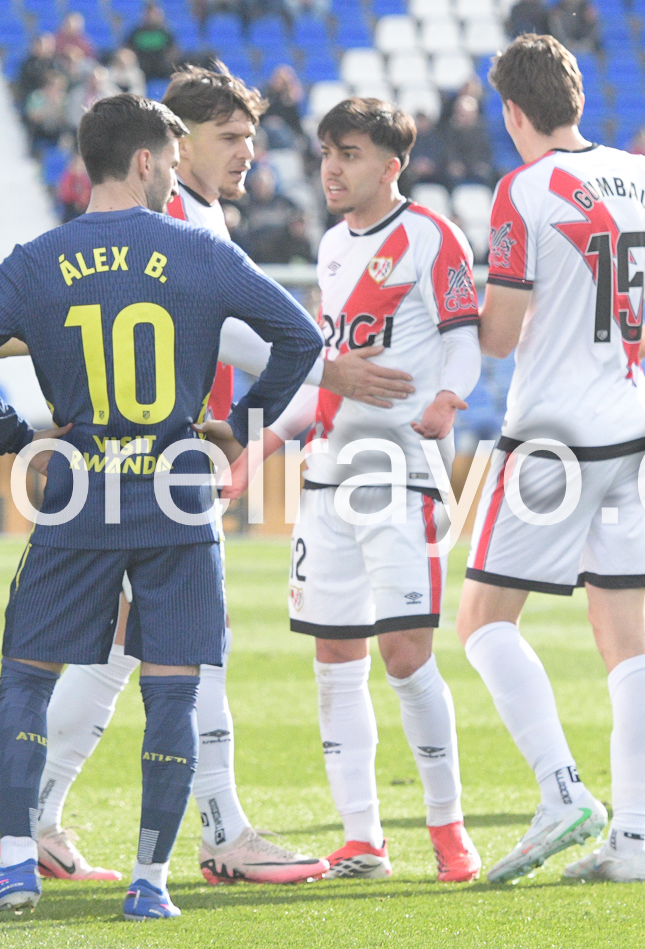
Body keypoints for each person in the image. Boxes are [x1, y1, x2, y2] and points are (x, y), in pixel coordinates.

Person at [0, 91, 324, 923]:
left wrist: (19, 443)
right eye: (169, 162)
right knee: (174, 692)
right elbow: (301, 340)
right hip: (180, 496)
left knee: (26, 678)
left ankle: (15, 863)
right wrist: (238, 430)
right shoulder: (197, 250)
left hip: (79, 493)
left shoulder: (38, 259)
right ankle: (151, 883)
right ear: (147, 162)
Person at [31, 65, 416, 890]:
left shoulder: (195, 214)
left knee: (119, 649)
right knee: (189, 641)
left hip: (144, 457)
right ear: (177, 141)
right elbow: (233, 326)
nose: (248, 153)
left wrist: (276, 416)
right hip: (151, 458)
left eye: (250, 137)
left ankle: (36, 818)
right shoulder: (173, 216)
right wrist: (331, 372)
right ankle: (221, 832)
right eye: (230, 138)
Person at [461, 34, 645, 884]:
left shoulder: (522, 190)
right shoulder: (641, 175)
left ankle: (562, 793)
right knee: (627, 643)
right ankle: (630, 842)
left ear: (513, 112)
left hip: (553, 435)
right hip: (631, 424)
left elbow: (503, 335)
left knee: (482, 622)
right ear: (576, 100)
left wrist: (448, 308)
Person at [242, 97, 485, 883]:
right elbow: (328, 373)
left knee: (406, 653)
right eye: (326, 154)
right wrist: (267, 442)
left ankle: (449, 830)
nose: (332, 168)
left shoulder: (430, 237)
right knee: (335, 655)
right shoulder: (332, 248)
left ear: (392, 164)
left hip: (399, 475)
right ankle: (362, 837)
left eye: (348, 153)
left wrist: (450, 399)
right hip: (326, 479)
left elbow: (463, 340)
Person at [124, 5, 177, 82]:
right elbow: (128, 49)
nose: (151, 17)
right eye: (149, 14)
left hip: (161, 67)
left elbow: (174, 49)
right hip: (142, 67)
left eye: (154, 14)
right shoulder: (136, 33)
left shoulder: (165, 32)